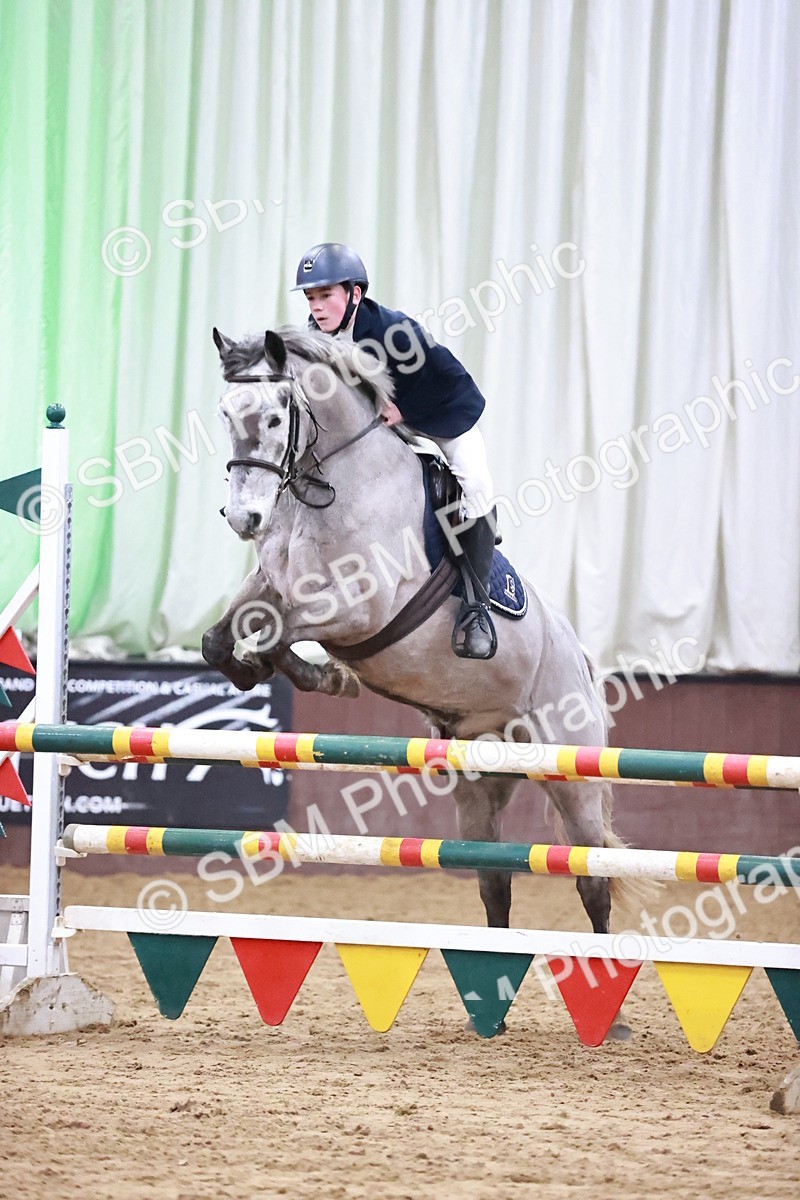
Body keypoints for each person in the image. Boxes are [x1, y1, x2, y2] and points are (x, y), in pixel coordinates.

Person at [292, 241, 498, 660]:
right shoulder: (314, 339)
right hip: (381, 425)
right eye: (311, 297)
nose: (317, 307)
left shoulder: (393, 331)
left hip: (441, 413)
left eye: (326, 295)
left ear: (355, 294)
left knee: (476, 484)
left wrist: (405, 410)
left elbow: (450, 381)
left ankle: (477, 607)